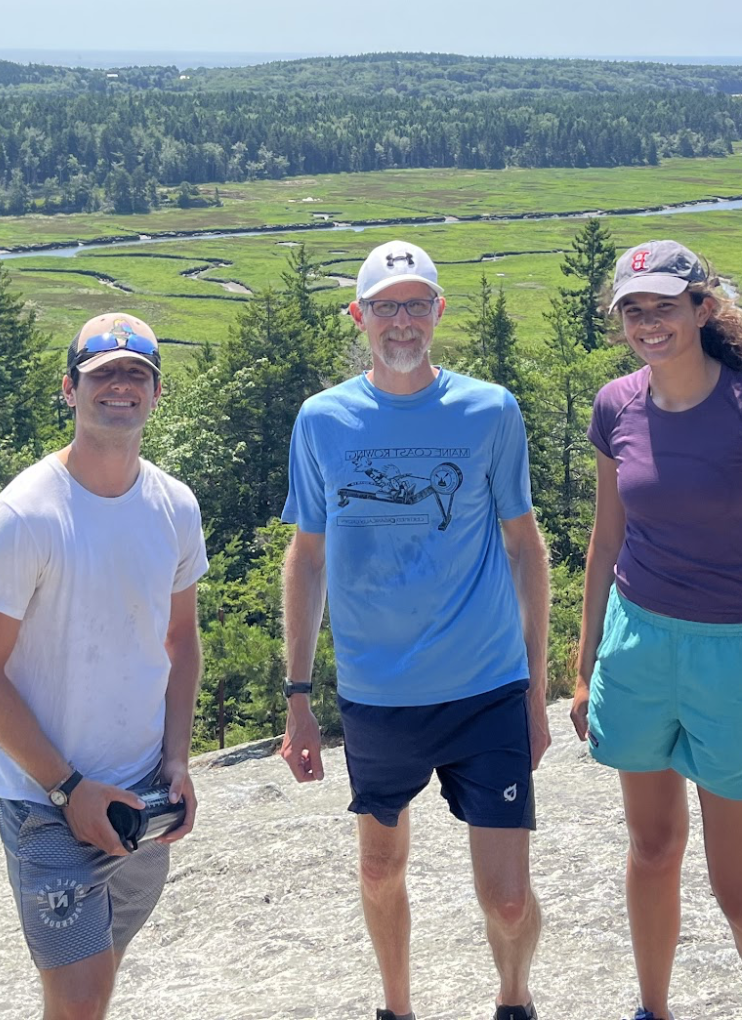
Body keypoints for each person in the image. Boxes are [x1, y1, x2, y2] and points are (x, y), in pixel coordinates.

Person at [280, 240, 551, 1020]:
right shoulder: (322, 420)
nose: (402, 322)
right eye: (386, 306)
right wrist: (299, 698)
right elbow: (306, 560)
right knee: (378, 872)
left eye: (417, 304)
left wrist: (535, 690)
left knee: (506, 901)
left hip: (485, 688)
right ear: (359, 317)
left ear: (439, 311)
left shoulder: (490, 410)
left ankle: (514, 996)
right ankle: (396, 1009)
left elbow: (525, 548)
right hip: (377, 694)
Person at [570, 240, 742, 1020]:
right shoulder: (616, 405)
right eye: (633, 310)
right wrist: (585, 670)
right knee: (650, 851)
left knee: (738, 886)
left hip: (738, 658)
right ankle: (654, 1008)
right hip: (639, 647)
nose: (649, 323)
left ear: (703, 309)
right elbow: (605, 543)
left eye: (665, 306)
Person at [0, 312, 209, 1020]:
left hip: (140, 793)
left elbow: (180, 640)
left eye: (137, 374)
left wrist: (178, 760)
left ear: (157, 395)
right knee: (79, 1001)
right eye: (103, 375)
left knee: (98, 980)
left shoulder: (174, 506)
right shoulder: (23, 517)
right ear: (70, 390)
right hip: (49, 802)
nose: (121, 387)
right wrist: (69, 789)